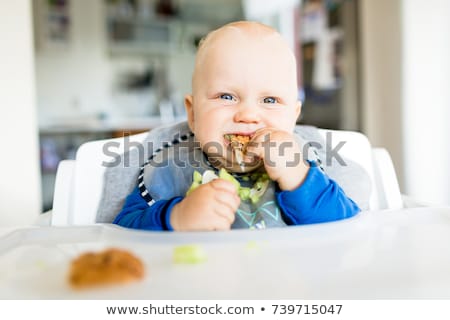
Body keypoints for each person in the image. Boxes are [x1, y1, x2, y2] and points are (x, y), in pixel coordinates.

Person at [113, 21, 360, 231]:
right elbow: (125, 227)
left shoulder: (303, 163)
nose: (248, 115)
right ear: (193, 113)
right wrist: (176, 217)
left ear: (293, 118)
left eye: (270, 100)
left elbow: (344, 226)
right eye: (227, 97)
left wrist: (297, 177)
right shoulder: (172, 168)